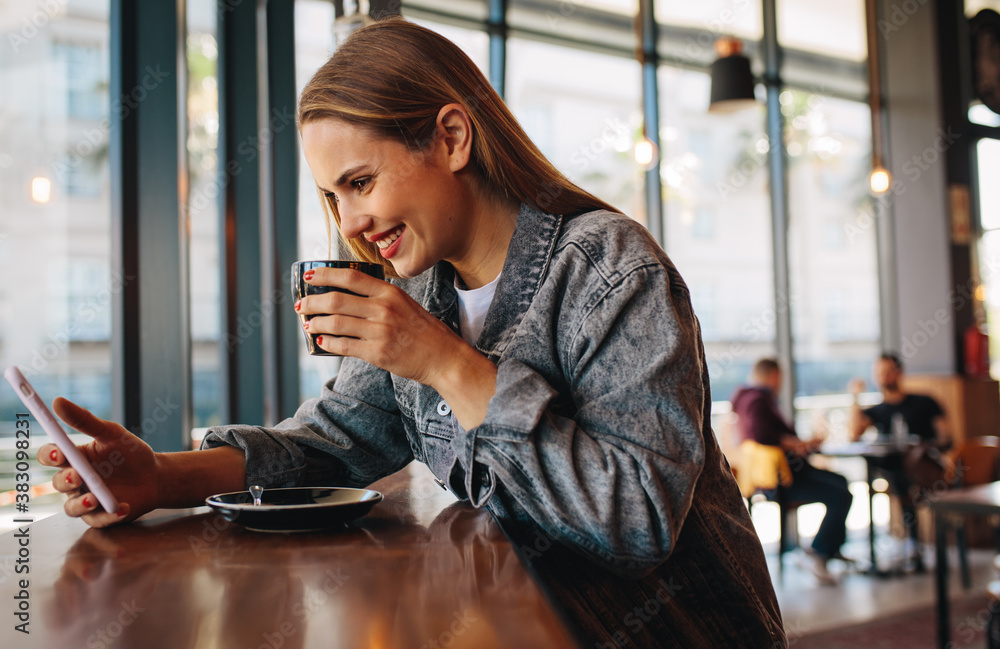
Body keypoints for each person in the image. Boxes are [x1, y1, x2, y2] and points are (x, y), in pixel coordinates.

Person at [35, 19, 785, 648]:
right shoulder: (419, 289)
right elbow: (333, 441)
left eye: (360, 182)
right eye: (333, 196)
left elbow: (636, 523)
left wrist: (442, 360)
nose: (350, 223)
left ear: (452, 137)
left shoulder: (611, 270)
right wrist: (161, 478)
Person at [731, 358, 854, 586]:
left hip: (777, 476)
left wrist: (801, 445)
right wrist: (797, 444)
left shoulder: (744, 399)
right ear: (774, 375)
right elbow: (764, 437)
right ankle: (819, 552)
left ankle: (830, 549)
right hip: (782, 481)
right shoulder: (758, 400)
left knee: (841, 481)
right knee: (842, 494)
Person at [848, 352, 952, 567]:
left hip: (927, 468)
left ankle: (913, 544)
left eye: (888, 372)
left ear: (899, 373)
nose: (884, 377)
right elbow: (853, 434)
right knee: (894, 472)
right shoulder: (878, 411)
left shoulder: (925, 402)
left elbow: (947, 438)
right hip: (897, 472)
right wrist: (855, 397)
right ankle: (912, 545)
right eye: (879, 373)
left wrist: (923, 447)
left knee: (902, 474)